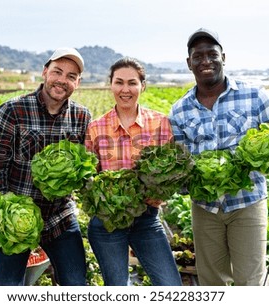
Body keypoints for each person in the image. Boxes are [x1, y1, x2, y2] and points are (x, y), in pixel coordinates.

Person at [169, 28, 269, 286]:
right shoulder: (178, 110)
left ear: (224, 57)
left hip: (247, 204)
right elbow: (181, 162)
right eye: (198, 56)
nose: (206, 61)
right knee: (212, 281)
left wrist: (258, 161)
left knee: (251, 281)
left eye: (212, 54)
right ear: (189, 63)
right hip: (205, 208)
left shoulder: (256, 96)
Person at [0, 47, 91, 286]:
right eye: (58, 72)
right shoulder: (12, 111)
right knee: (11, 288)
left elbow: (86, 169)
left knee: (76, 283)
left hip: (59, 217)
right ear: (45, 72)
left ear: (78, 83)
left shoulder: (82, 117)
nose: (63, 80)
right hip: (16, 219)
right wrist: (6, 216)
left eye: (71, 76)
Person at [84, 57, 182, 286]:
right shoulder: (96, 127)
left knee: (170, 285)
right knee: (118, 288)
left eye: (132, 83)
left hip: (146, 219)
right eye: (119, 82)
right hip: (107, 223)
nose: (125, 89)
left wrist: (162, 195)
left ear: (142, 86)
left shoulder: (160, 123)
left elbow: (173, 171)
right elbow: (87, 177)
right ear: (110, 85)